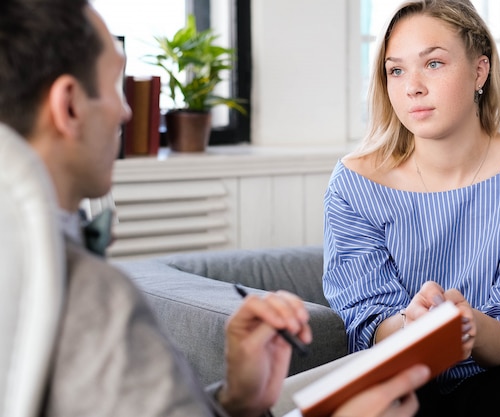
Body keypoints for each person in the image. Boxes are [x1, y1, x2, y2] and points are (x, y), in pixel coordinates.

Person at [0, 0, 432, 416]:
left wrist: (237, 401)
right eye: (116, 86)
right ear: (69, 106)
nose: (127, 110)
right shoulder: (92, 297)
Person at [322, 1, 500, 416]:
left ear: (479, 71)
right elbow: (362, 327)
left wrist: (472, 327)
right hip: (406, 383)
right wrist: (411, 327)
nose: (412, 86)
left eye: (433, 63)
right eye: (396, 70)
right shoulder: (353, 184)